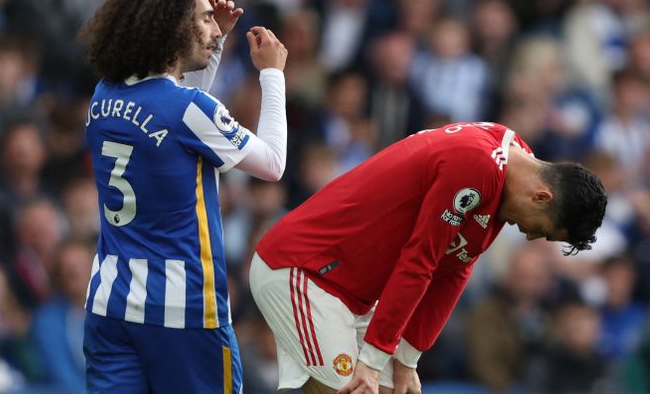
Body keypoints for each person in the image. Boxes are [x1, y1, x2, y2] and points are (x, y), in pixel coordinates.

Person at [249, 121, 607, 394]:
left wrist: (406, 359)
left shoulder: (511, 167)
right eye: (541, 229)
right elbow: (420, 261)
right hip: (305, 271)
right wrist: (374, 361)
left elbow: (456, 269)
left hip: (350, 292)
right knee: (356, 388)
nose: (529, 236)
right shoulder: (478, 164)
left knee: (391, 389)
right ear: (541, 198)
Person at [80, 0, 288, 393]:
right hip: (184, 310)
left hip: (111, 305)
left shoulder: (104, 95)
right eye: (205, 17)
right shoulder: (188, 109)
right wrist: (272, 74)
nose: (216, 23)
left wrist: (213, 44)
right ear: (174, 30)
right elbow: (273, 164)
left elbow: (174, 109)